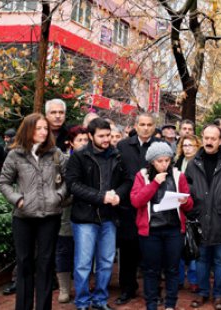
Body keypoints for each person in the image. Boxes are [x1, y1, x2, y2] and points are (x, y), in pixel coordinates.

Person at [0, 113, 67, 310]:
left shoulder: (56, 153)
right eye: (39, 128)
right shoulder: (15, 154)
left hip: (50, 216)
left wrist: (59, 197)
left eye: (45, 128)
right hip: (23, 217)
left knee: (45, 264)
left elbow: (69, 179)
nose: (44, 132)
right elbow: (4, 182)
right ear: (28, 129)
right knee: (24, 263)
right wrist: (17, 199)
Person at [66, 118, 130, 310]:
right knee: (83, 264)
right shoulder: (79, 156)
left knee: (106, 262)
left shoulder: (117, 155)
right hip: (85, 218)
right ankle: (83, 302)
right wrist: (101, 197)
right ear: (91, 136)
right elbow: (73, 185)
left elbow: (127, 180)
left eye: (108, 135)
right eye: (101, 136)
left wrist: (118, 195)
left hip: (109, 217)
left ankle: (100, 299)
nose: (106, 139)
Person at [130, 142, 194, 310]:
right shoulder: (142, 176)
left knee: (172, 269)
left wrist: (185, 201)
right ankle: (151, 304)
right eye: (160, 161)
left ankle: (170, 304)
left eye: (167, 160)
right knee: (151, 270)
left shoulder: (178, 175)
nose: (164, 164)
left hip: (173, 229)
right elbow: (136, 201)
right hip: (150, 231)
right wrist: (154, 184)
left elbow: (189, 205)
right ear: (152, 161)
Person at [185, 124, 221, 309]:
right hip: (200, 220)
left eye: (213, 139)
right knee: (201, 260)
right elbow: (187, 190)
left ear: (220, 141)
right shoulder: (193, 163)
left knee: (220, 260)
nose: (209, 142)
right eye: (206, 138)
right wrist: (192, 211)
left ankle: (218, 293)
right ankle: (202, 292)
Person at [115, 113, 161, 305]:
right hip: (128, 207)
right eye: (142, 124)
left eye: (149, 124)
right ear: (136, 125)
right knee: (127, 253)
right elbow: (117, 174)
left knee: (152, 254)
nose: (145, 128)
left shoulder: (160, 147)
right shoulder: (123, 146)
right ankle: (127, 289)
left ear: (154, 126)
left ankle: (154, 291)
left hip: (153, 208)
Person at [55, 125, 89, 303]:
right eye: (79, 140)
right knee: (64, 249)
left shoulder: (91, 159)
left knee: (83, 251)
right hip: (66, 212)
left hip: (86, 213)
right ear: (71, 143)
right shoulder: (64, 161)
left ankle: (82, 286)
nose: (83, 144)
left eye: (86, 140)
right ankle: (64, 288)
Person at [174, 134, 202, 293]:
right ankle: (178, 279)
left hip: (196, 209)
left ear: (197, 147)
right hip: (178, 210)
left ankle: (194, 279)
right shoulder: (177, 163)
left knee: (194, 247)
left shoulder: (201, 163)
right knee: (178, 247)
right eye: (185, 145)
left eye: (191, 145)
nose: (188, 148)